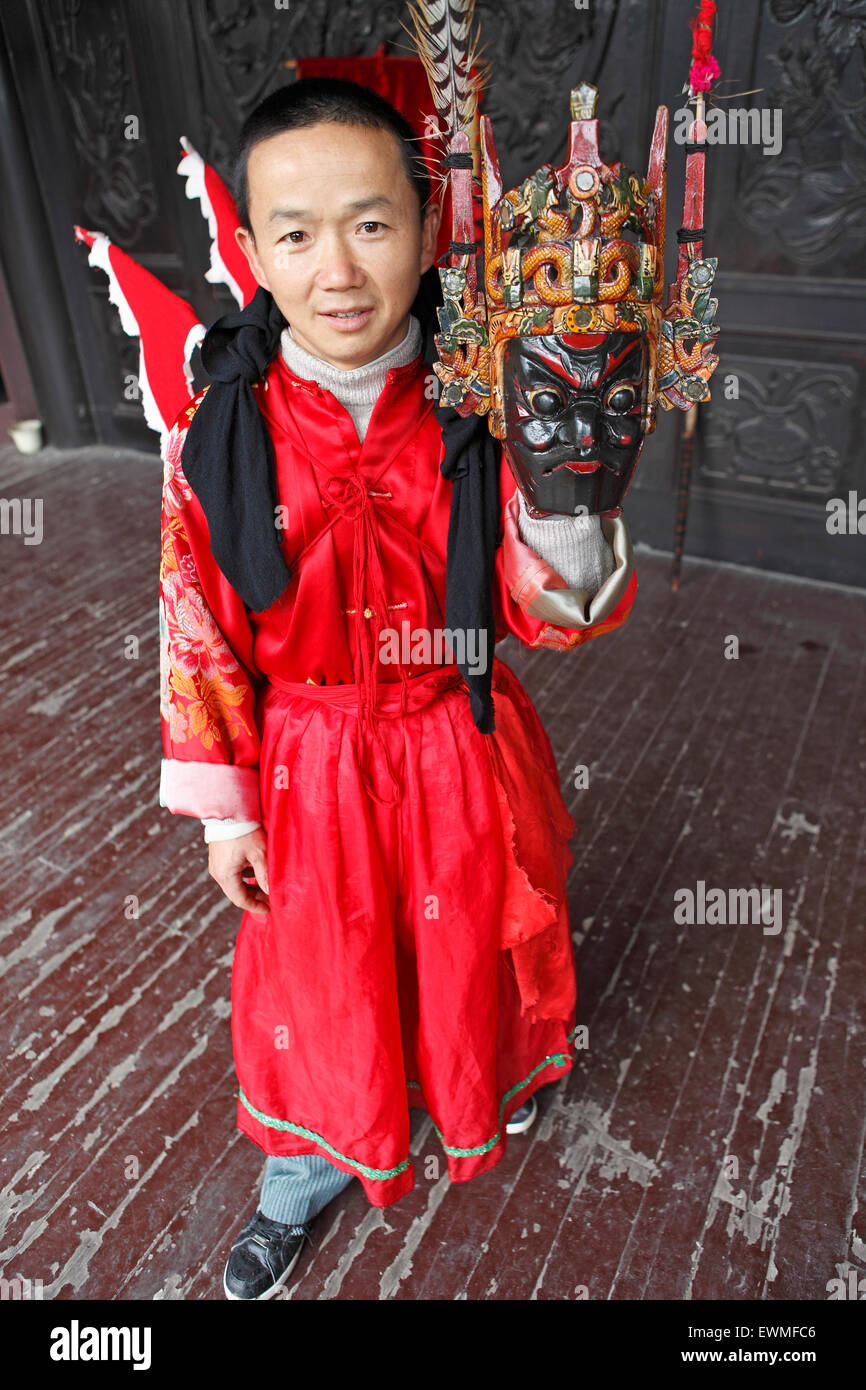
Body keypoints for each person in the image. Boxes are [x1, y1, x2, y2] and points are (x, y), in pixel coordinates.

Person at [158, 77, 637, 1300]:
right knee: (318, 974)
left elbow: (542, 608)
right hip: (307, 762)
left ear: (426, 231)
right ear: (251, 248)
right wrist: (227, 811)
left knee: (473, 940)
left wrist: (567, 496)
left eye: (370, 224)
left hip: (455, 740)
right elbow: (196, 624)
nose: (336, 269)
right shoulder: (216, 428)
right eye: (296, 232)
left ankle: (497, 1079)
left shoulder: (488, 401)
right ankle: (305, 1173)